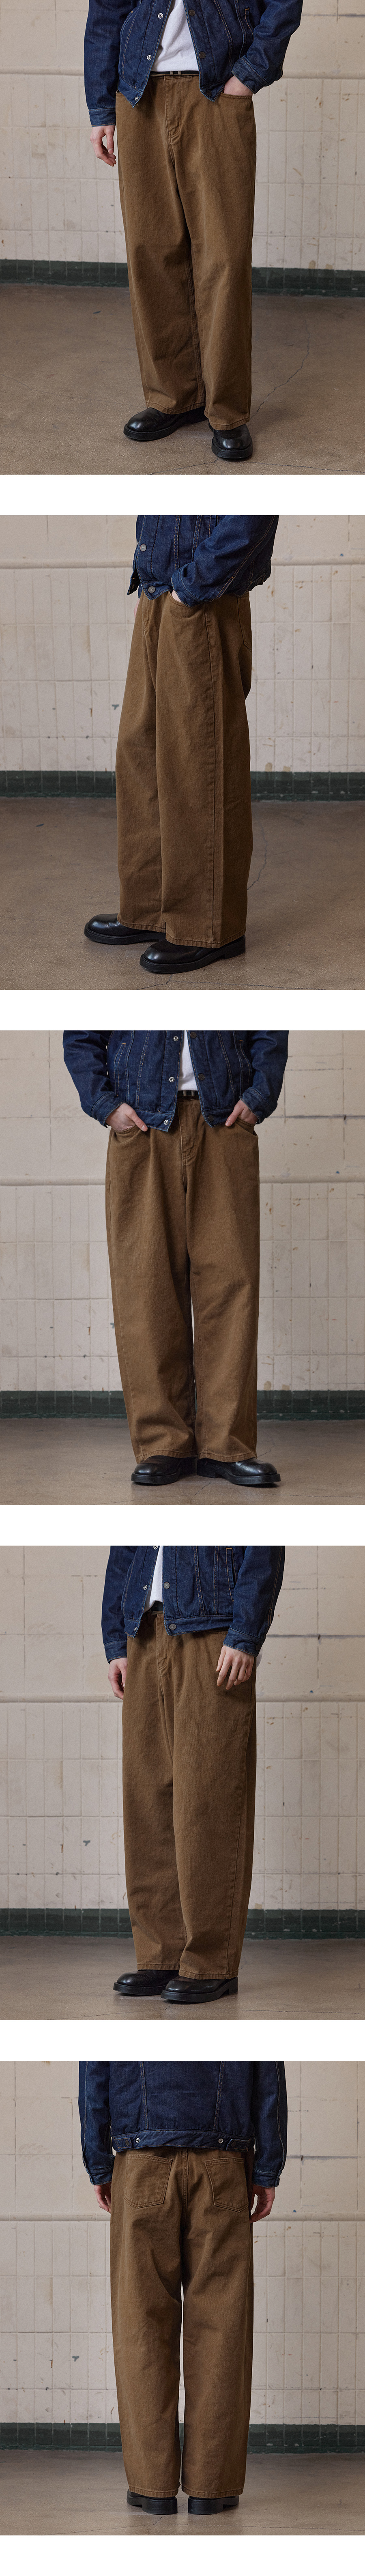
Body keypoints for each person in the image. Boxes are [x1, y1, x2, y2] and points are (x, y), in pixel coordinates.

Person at [62, 1027, 288, 1486]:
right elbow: (81, 1032)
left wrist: (259, 1095)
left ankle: (226, 1446)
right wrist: (106, 1105)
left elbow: (270, 1024)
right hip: (142, 1125)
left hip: (224, 1120)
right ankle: (163, 1443)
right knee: (145, 1288)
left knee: (231, 1286)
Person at [84, 0, 303, 460]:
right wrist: (101, 107)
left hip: (218, 92)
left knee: (224, 257)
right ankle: (173, 397)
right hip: (138, 94)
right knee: (151, 251)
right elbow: (106, 12)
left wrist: (249, 75)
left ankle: (227, 411)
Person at [79, 2058, 287, 2514]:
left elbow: (95, 2072)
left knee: (141, 2324)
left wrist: (99, 2164)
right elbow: (268, 2076)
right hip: (224, 2163)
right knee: (222, 2327)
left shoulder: (125, 2017)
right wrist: (267, 2169)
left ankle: (152, 2486)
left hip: (140, 2161)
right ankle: (214, 2488)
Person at [84, 512, 278, 968]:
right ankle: (150, 910)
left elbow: (255, 509)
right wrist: (149, 582)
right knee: (141, 757)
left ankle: (206, 927)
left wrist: (190, 588)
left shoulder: (195, 590)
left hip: (202, 599)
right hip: (159, 594)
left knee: (199, 764)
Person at [102, 1541, 284, 2002]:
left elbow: (265, 1540)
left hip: (212, 1627)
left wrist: (245, 1633)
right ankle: (162, 1954)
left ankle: (210, 1961)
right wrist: (115, 1639)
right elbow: (125, 1544)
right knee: (149, 1800)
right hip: (145, 1629)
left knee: (208, 1797)